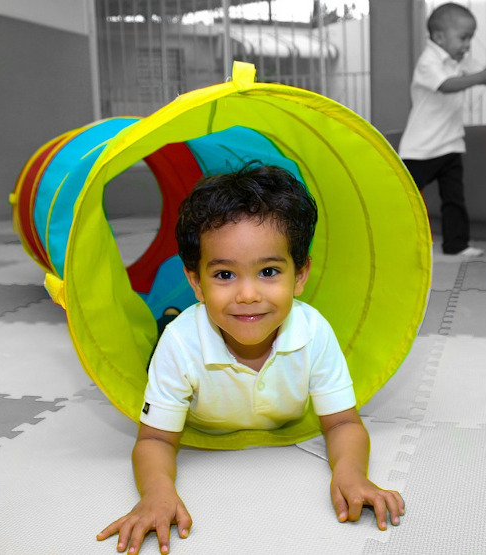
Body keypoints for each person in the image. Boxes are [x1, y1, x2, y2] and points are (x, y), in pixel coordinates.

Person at [97, 164, 404, 554]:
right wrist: (157, 493)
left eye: (269, 271)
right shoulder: (181, 345)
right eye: (224, 275)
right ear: (197, 282)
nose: (247, 295)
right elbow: (155, 437)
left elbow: (343, 421)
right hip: (183, 340)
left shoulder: (313, 331)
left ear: (301, 275)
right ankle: (170, 314)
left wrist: (351, 474)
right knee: (169, 329)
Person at [399, 2, 486, 258]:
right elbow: (447, 85)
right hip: (421, 147)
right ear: (439, 37)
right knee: (406, 199)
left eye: (470, 38)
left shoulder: (458, 60)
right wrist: (484, 75)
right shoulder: (428, 61)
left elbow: (483, 76)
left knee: (454, 199)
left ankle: (456, 244)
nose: (467, 45)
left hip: (451, 143)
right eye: (463, 38)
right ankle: (401, 242)